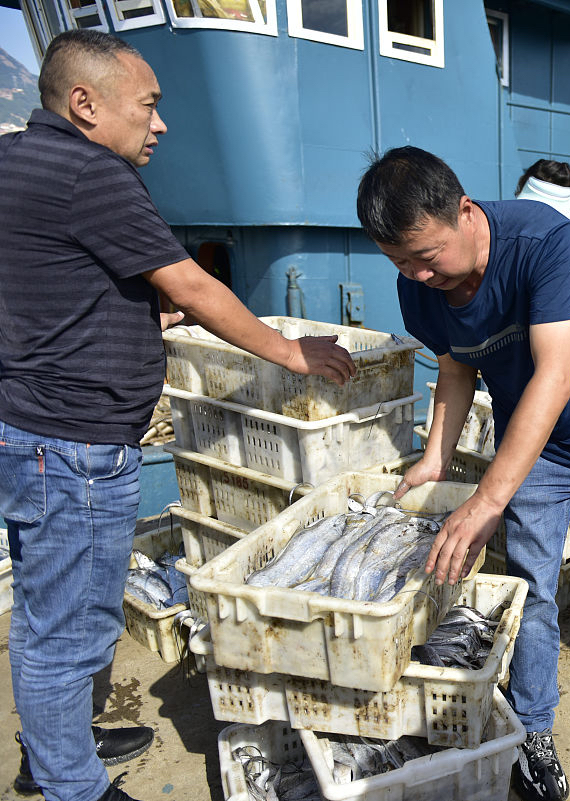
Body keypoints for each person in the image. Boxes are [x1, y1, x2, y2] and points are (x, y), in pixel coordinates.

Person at [0, 30, 355, 801]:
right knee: (68, 630)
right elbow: (193, 285)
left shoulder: (17, 160)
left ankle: (58, 746)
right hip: (74, 445)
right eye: (150, 106)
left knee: (43, 609)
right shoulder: (93, 173)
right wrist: (289, 352)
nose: (160, 125)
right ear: (86, 104)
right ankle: (69, 783)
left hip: (28, 429)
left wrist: (118, 314)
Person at [356, 146, 570, 801]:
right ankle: (532, 729)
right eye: (401, 263)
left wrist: (486, 498)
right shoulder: (418, 290)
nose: (419, 275)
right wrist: (435, 456)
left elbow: (554, 375)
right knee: (534, 596)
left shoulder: (545, 240)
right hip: (534, 455)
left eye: (427, 256)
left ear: (466, 212)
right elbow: (455, 369)